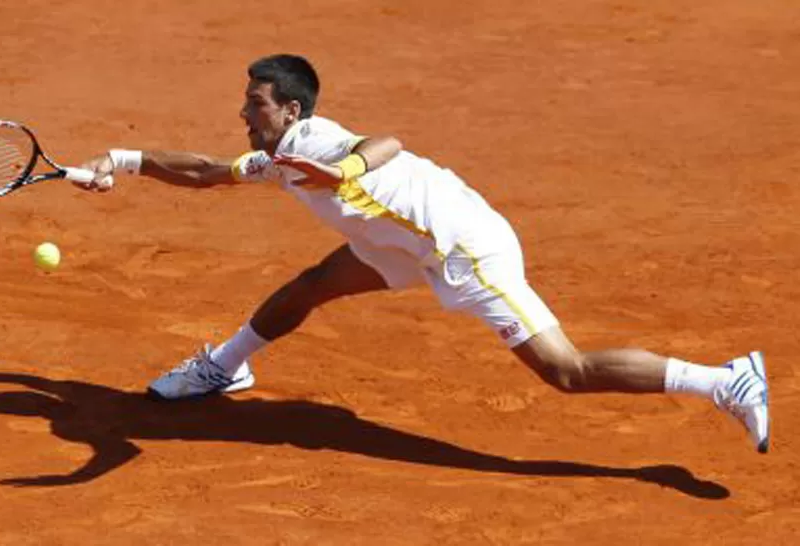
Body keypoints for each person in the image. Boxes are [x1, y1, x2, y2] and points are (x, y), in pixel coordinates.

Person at [74, 54, 770, 454]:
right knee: (311, 285)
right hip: (400, 245)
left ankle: (724, 381)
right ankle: (223, 368)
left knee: (567, 369)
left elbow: (389, 143)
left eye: (254, 104)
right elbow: (203, 171)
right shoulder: (281, 154)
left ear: (290, 110)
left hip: (464, 250)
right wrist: (122, 159)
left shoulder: (317, 143)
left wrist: (346, 173)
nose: (243, 114)